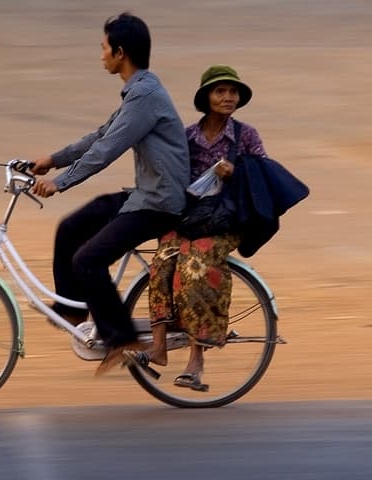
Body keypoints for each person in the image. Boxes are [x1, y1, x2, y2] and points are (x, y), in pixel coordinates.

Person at [30, 13, 190, 366]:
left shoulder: (145, 95)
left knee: (88, 259)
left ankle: (122, 339)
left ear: (120, 53)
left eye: (103, 48)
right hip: (145, 194)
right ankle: (73, 310)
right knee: (71, 227)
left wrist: (60, 182)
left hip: (159, 203)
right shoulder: (138, 91)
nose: (100, 54)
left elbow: (106, 151)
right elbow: (101, 135)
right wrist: (53, 159)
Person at [133, 65, 267, 391]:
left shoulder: (246, 136)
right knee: (163, 261)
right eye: (220, 91)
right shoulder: (187, 137)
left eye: (233, 92)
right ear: (206, 97)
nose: (228, 97)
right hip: (191, 219)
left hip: (226, 222)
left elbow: (263, 178)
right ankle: (159, 347)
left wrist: (234, 173)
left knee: (195, 265)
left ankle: (196, 360)